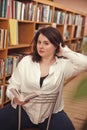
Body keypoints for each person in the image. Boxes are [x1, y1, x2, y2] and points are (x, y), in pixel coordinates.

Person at [0, 26, 87, 130]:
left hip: (51, 114)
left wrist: (65, 52)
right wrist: (15, 97)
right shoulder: (26, 61)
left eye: (46, 43)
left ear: (56, 46)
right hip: (23, 110)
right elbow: (12, 86)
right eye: (39, 42)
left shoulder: (63, 66)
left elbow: (85, 63)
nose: (41, 46)